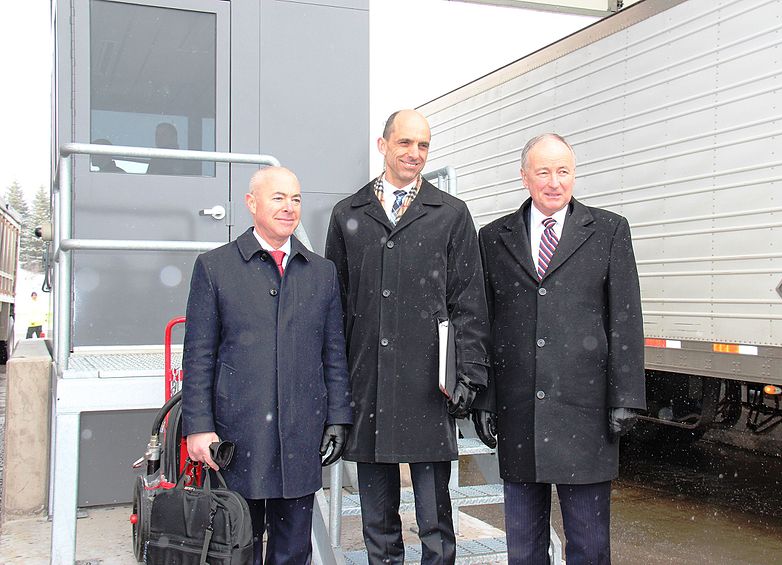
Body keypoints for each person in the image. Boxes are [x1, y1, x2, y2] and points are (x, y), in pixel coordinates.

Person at [325, 109, 490, 564]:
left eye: (423, 145)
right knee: (377, 519)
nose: (415, 154)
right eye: (405, 143)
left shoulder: (451, 215)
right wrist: (336, 391)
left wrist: (470, 378)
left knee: (436, 520)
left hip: (428, 387)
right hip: (368, 385)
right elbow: (334, 310)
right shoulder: (347, 215)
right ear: (383, 146)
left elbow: (469, 306)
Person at [471, 133, 645, 564]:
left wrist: (625, 397)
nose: (554, 182)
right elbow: (484, 323)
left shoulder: (608, 230)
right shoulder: (493, 238)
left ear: (574, 174)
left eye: (563, 171)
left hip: (585, 413)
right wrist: (487, 399)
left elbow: (625, 318)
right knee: (524, 546)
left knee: (588, 544)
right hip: (520, 412)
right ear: (524, 176)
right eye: (543, 171)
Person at [182, 166, 353, 565]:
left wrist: (338, 417)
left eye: (295, 199)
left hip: (300, 436)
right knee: (234, 546)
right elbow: (199, 356)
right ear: (251, 203)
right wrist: (198, 426)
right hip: (235, 437)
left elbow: (334, 354)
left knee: (293, 549)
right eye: (278, 197)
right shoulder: (215, 267)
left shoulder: (322, 272)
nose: (289, 207)